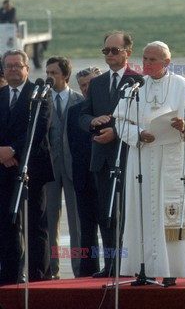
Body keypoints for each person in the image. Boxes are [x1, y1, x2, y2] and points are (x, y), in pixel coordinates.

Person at [114, 41, 185, 286]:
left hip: (172, 157)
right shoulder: (135, 87)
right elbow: (120, 123)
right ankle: (141, 269)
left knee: (169, 212)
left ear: (167, 62)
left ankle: (170, 270)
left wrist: (184, 126)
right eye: (145, 59)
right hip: (142, 156)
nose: (147, 64)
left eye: (152, 60)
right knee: (141, 211)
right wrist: (137, 135)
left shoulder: (183, 86)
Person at [79, 30, 139, 278]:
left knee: (129, 213)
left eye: (115, 50)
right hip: (102, 157)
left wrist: (116, 131)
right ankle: (112, 264)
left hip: (129, 156)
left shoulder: (139, 80)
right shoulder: (98, 84)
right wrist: (93, 121)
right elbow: (83, 114)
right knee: (108, 213)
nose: (110, 55)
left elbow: (141, 118)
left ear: (128, 52)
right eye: (106, 51)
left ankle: (132, 263)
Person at [0, 50, 53, 285]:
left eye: (17, 65)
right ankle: (10, 278)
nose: (12, 69)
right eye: (8, 66)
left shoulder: (40, 94)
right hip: (3, 168)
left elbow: (39, 127)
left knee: (34, 225)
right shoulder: (1, 94)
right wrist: (2, 153)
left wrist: (13, 151)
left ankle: (38, 277)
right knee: (7, 225)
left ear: (26, 69)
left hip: (32, 168)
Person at [46, 56, 83, 279]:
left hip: (73, 168)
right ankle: (51, 269)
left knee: (76, 221)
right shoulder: (41, 100)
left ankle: (80, 269)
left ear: (65, 75)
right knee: (49, 220)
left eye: (54, 73)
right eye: (47, 73)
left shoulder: (79, 101)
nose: (49, 77)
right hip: (49, 169)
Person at [67, 66, 102, 276]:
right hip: (83, 180)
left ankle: (114, 268)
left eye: (90, 83)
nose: (87, 88)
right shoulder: (74, 112)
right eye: (82, 85)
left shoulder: (112, 109)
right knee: (86, 231)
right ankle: (87, 273)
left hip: (106, 179)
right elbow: (72, 146)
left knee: (110, 228)